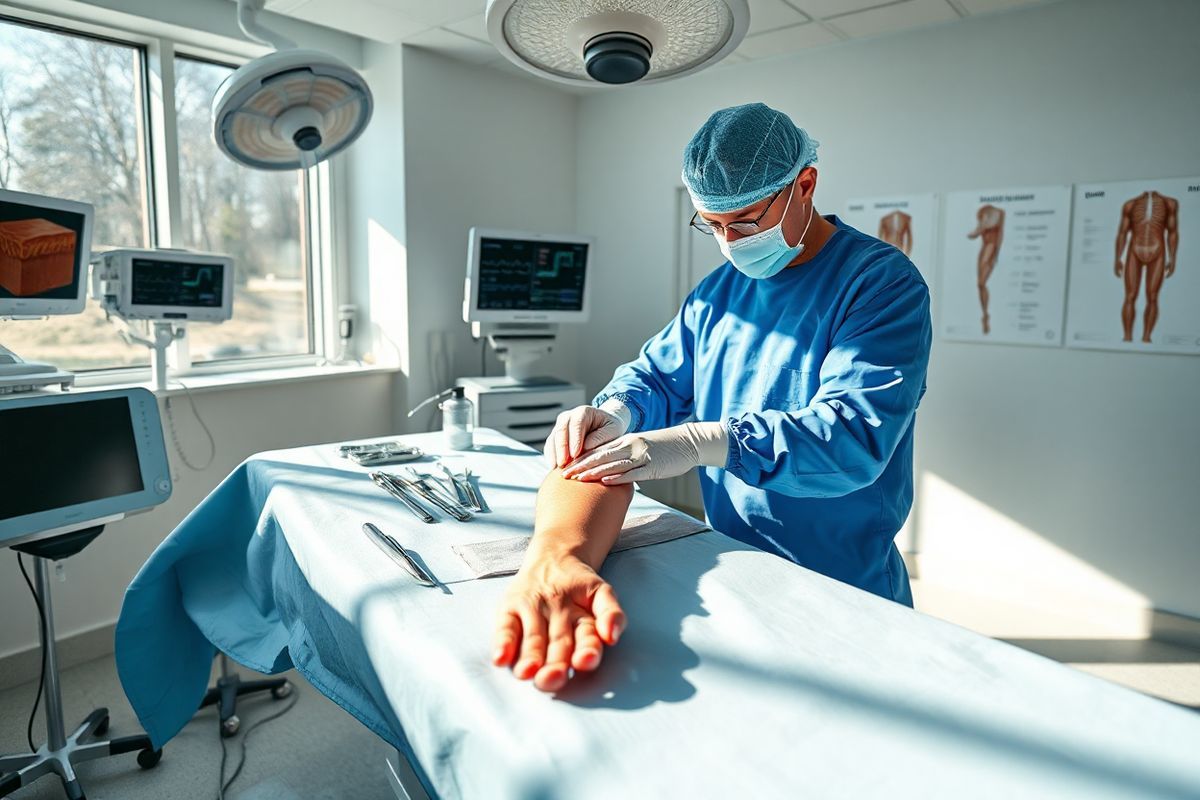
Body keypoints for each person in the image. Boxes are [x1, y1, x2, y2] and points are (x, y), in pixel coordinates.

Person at [497, 102, 932, 693]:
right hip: (734, 560)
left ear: (805, 185)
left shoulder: (879, 283)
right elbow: (657, 376)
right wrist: (616, 409)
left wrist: (705, 441)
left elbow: (854, 438)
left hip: (841, 576)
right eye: (712, 224)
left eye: (745, 222)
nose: (729, 241)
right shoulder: (718, 293)